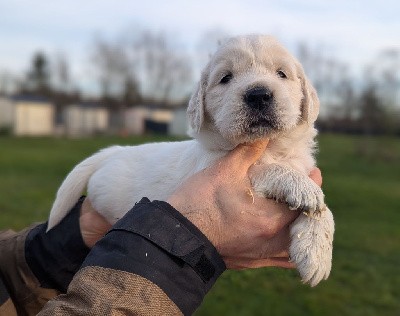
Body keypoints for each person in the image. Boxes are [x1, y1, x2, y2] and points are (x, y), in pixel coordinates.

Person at [0, 140, 322, 315]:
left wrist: (64, 241)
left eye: (281, 73)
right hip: (114, 177)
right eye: (225, 78)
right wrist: (174, 246)